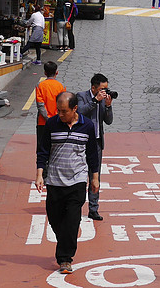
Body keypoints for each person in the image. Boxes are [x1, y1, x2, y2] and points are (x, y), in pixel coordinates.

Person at [36, 92, 99, 275]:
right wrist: (40, 175)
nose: (60, 115)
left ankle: (65, 259)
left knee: (72, 221)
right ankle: (64, 241)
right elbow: (43, 152)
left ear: (75, 109)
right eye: (59, 111)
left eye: (64, 111)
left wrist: (94, 178)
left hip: (77, 180)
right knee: (55, 219)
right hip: (55, 180)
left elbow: (92, 155)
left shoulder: (87, 126)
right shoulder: (51, 124)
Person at [76, 74, 114, 221]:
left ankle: (93, 208)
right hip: (82, 142)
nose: (104, 92)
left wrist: (108, 106)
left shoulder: (104, 99)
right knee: (79, 175)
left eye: (106, 89)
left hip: (97, 143)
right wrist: (94, 101)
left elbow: (109, 121)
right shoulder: (82, 96)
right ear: (93, 88)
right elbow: (79, 112)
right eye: (102, 89)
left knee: (95, 176)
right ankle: (76, 207)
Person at [34, 61, 66, 144]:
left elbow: (40, 105)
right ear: (57, 72)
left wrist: (48, 119)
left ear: (45, 72)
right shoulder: (61, 86)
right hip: (58, 121)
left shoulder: (40, 85)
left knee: (42, 147)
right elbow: (63, 105)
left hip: (42, 122)